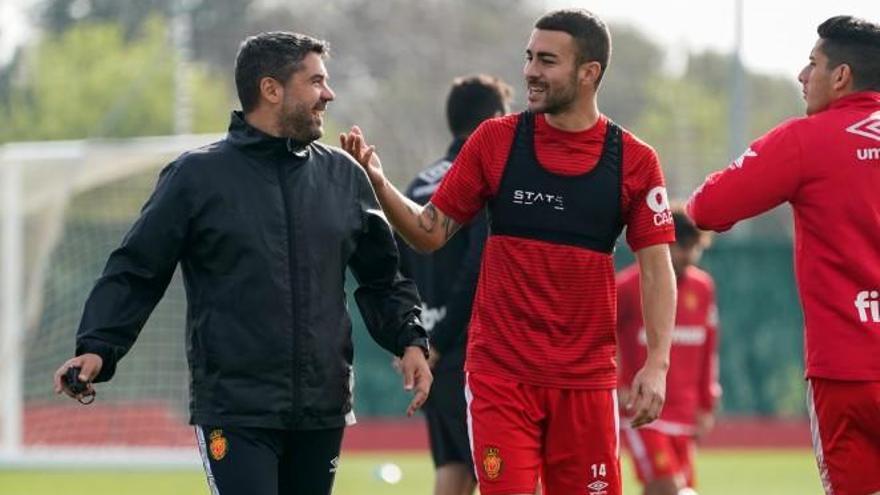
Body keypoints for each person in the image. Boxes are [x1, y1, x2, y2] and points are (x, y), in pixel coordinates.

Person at [52, 31, 432, 495]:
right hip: (234, 409)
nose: (328, 94)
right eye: (315, 82)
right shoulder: (194, 177)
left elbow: (381, 279)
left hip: (323, 408)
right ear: (271, 89)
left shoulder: (343, 176)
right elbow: (136, 270)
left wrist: (409, 339)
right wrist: (98, 345)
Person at [341, 9, 677, 495]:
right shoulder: (495, 141)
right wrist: (378, 182)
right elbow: (429, 231)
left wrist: (658, 363)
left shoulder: (635, 160)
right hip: (501, 378)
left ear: (589, 73)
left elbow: (655, 270)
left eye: (547, 60)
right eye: (528, 57)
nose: (530, 72)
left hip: (585, 383)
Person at [686, 15, 880, 495]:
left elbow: (707, 208)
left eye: (811, 63)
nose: (801, 75)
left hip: (847, 371)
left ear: (841, 76)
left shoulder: (805, 140)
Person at [397, 74, 512, 495]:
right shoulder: (481, 177)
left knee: (453, 468)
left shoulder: (418, 184)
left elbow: (394, 269)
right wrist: (441, 339)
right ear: (496, 118)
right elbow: (479, 266)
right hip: (469, 350)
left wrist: (412, 339)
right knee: (506, 473)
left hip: (430, 353)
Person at [617, 206, 720, 495]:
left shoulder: (703, 288)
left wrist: (706, 404)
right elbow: (602, 335)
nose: (686, 255)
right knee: (670, 487)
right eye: (679, 246)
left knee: (665, 489)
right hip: (644, 409)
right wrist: (618, 383)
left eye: (693, 247)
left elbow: (709, 349)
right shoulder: (627, 286)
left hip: (685, 411)